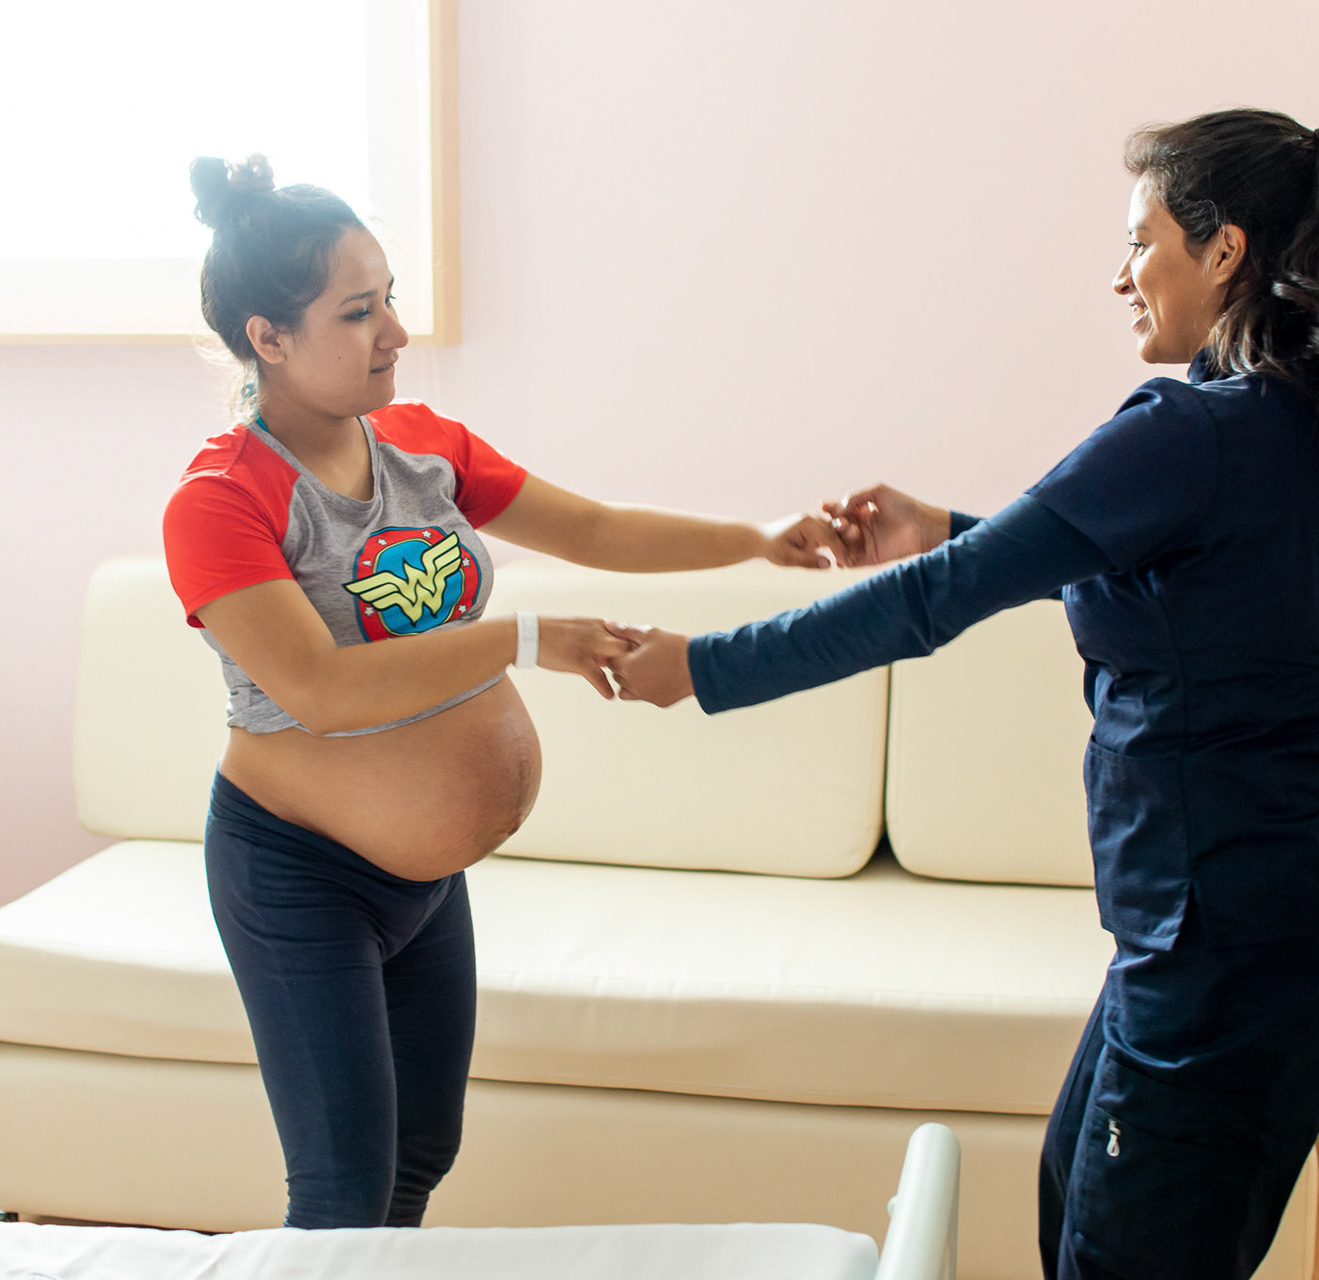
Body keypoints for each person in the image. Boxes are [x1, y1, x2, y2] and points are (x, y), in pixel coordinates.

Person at [607, 108, 1319, 1280]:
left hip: (1233, 908)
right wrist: (941, 522)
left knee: (1125, 1248)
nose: (1119, 274)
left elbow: (937, 601)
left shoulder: (1191, 427)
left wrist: (699, 667)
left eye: (1141, 239)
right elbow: (1175, 579)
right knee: (1088, 1195)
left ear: (1225, 251)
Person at [160, 155, 842, 1230]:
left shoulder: (425, 446)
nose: (394, 330)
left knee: (421, 1151)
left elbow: (598, 529)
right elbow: (321, 690)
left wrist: (758, 539)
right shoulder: (220, 501)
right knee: (341, 1188)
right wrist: (521, 637)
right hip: (300, 875)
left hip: (423, 882)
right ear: (268, 337)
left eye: (389, 297)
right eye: (357, 311)